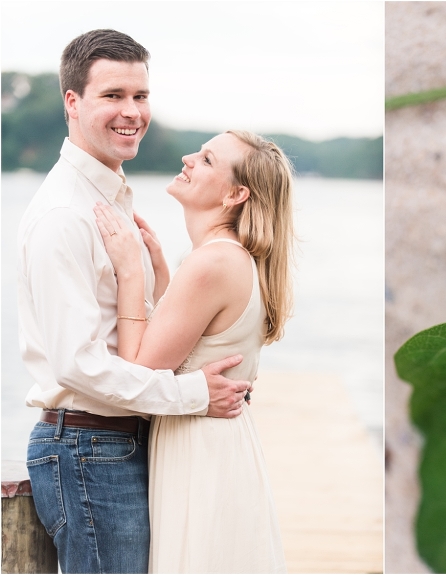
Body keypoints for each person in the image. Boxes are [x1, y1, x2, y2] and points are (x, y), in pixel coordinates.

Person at [19, 29, 252, 574]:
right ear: (72, 102)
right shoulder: (65, 215)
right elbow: (78, 364)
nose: (132, 112)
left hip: (119, 444)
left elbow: (138, 330)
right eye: (113, 95)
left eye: (140, 96)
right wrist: (193, 394)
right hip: (88, 447)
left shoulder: (111, 200)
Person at [93, 130, 292, 573]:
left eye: (206, 160)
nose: (187, 158)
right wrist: (162, 272)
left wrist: (131, 272)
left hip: (200, 450)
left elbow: (139, 371)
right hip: (217, 443)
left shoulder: (212, 262)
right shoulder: (231, 258)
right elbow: (193, 339)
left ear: (235, 195)